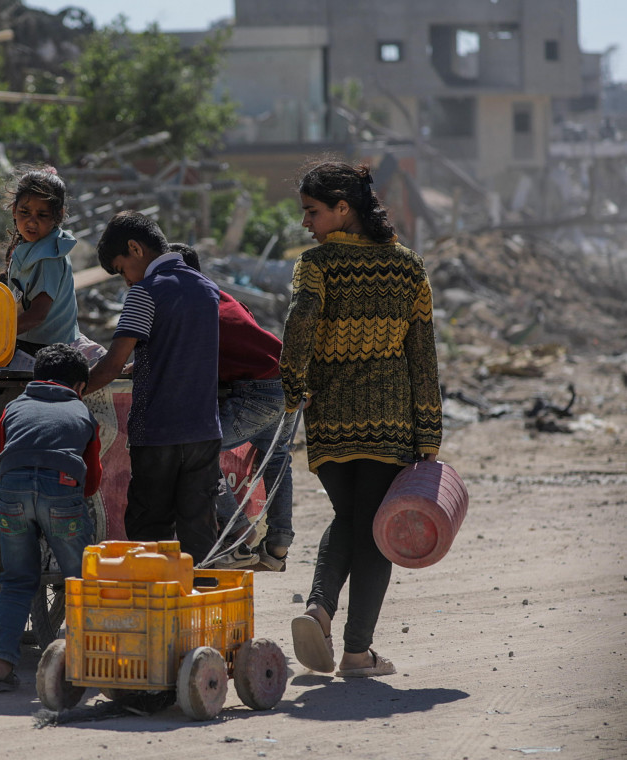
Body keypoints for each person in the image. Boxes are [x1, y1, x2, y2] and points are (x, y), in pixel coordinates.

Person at [283, 161, 442, 678]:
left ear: (342, 209)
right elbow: (423, 356)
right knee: (373, 530)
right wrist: (429, 432)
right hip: (391, 423)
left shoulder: (316, 265)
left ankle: (319, 608)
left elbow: (300, 324)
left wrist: (292, 388)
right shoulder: (409, 267)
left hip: (329, 421)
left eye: (312, 211)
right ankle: (356, 652)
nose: (306, 222)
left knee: (349, 518)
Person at [86, 211, 221, 565]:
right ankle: (197, 606)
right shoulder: (207, 289)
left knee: (150, 531)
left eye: (121, 269)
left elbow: (112, 364)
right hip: (204, 431)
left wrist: (74, 388)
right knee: (198, 532)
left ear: (135, 248)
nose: (125, 281)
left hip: (158, 431)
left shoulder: (145, 293)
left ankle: (156, 611)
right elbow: (183, 350)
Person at [0, 343, 102, 692]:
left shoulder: (14, 407)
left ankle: (0, 667)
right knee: (81, 580)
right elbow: (91, 482)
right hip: (62, 494)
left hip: (11, 495)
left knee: (17, 580)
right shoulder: (81, 413)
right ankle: (84, 663)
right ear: (80, 387)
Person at [170, 244, 294, 572]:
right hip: (284, 379)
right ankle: (278, 545)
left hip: (256, 392)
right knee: (277, 459)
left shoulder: (193, 306)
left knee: (198, 448)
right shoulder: (224, 298)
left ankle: (238, 529)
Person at [1, 166, 80, 356]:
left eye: (42, 215)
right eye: (25, 212)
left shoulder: (48, 257)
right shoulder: (28, 246)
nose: (31, 222)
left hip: (45, 347)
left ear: (58, 215)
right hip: (29, 339)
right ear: (14, 210)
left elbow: (38, 314)